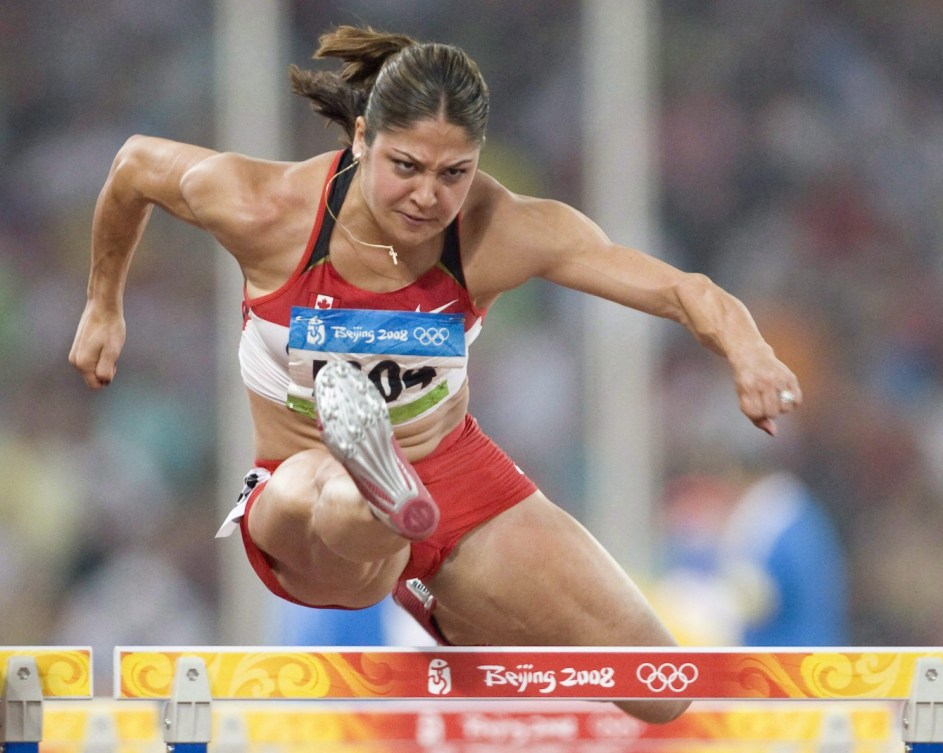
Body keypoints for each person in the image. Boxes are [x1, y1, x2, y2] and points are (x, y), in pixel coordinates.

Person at [69, 25, 801, 723]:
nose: (428, 197)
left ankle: (427, 571)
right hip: (302, 476)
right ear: (361, 138)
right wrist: (104, 306)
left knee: (654, 687)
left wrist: (750, 352)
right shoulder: (268, 207)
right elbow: (134, 166)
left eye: (454, 173)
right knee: (333, 502)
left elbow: (683, 290)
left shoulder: (497, 229)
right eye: (406, 168)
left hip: (451, 473)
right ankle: (378, 488)